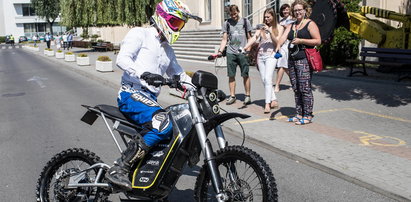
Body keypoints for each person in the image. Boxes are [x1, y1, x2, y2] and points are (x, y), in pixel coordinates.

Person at [106, 0, 201, 190]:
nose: (177, 28)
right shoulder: (140, 33)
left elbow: (179, 74)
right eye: (175, 23)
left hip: (149, 100)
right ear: (162, 18)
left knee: (176, 129)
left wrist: (200, 89)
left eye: (180, 25)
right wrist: (142, 74)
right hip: (130, 93)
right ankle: (120, 167)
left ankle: (149, 175)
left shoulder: (167, 50)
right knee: (163, 123)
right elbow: (122, 59)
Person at [277, 0, 321, 125]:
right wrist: (277, 47)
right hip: (292, 59)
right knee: (296, 88)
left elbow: (318, 41)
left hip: (304, 59)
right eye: (295, 10)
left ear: (305, 10)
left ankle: (308, 115)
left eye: (299, 10)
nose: (297, 12)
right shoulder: (291, 25)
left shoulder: (310, 24)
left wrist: (301, 40)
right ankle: (299, 114)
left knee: (304, 88)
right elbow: (283, 38)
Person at [243, 8, 283, 114]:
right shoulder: (261, 28)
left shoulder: (279, 27)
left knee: (268, 78)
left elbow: (278, 42)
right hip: (260, 56)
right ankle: (274, 100)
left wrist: (270, 31)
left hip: (271, 55)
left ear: (273, 17)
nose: (266, 19)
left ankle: (267, 103)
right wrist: (245, 47)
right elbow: (254, 38)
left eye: (268, 17)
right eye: (265, 17)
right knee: (264, 80)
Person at [216, 5, 252, 105]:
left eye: (235, 14)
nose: (233, 16)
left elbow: (250, 37)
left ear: (238, 11)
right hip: (231, 52)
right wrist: (220, 51)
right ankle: (232, 96)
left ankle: (247, 96)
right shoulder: (227, 23)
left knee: (245, 75)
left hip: (242, 52)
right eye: (231, 14)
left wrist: (248, 50)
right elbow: (224, 39)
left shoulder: (245, 22)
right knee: (231, 75)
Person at [275, 4, 294, 93]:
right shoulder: (281, 21)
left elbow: (291, 31)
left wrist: (285, 27)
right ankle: (294, 82)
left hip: (288, 45)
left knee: (281, 65)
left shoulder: (293, 20)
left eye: (287, 9)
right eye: (284, 10)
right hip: (281, 44)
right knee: (284, 66)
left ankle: (277, 85)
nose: (285, 11)